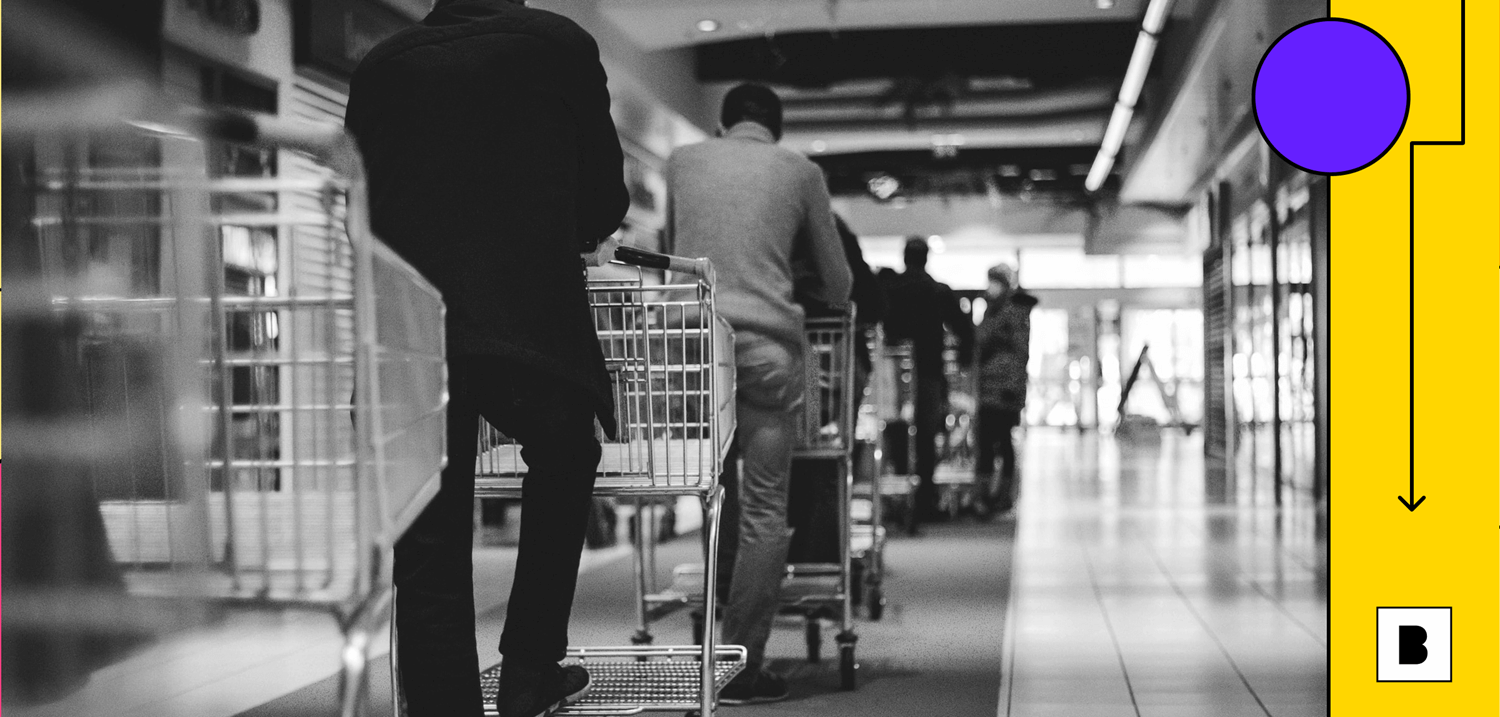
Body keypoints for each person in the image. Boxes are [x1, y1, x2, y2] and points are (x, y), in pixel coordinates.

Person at [344, 1, 629, 715]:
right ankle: (531, 667)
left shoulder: (382, 63)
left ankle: (444, 704)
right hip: (527, 317)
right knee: (564, 455)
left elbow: (355, 196)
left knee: (428, 526)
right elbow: (603, 195)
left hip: (409, 322)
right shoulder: (560, 44)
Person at [665, 83, 853, 704]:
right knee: (766, 508)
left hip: (695, 350)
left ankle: (714, 637)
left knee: (711, 491)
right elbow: (838, 280)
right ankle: (744, 664)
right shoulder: (800, 170)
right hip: (768, 351)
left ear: (723, 125)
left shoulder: (683, 162)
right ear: (776, 127)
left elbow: (675, 252)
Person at [882, 237, 973, 523]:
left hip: (893, 371)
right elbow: (963, 327)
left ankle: (896, 497)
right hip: (929, 371)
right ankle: (924, 500)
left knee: (895, 430)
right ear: (926, 258)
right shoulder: (937, 290)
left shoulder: (891, 289)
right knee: (924, 435)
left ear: (904, 257)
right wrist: (963, 358)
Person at [974, 264, 1037, 513]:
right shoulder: (992, 310)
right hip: (989, 388)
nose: (991, 286)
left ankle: (1003, 495)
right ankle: (986, 494)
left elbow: (1019, 353)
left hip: (1004, 391)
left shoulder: (1013, 312)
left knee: (1001, 442)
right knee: (987, 443)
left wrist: (1013, 388)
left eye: (995, 281)